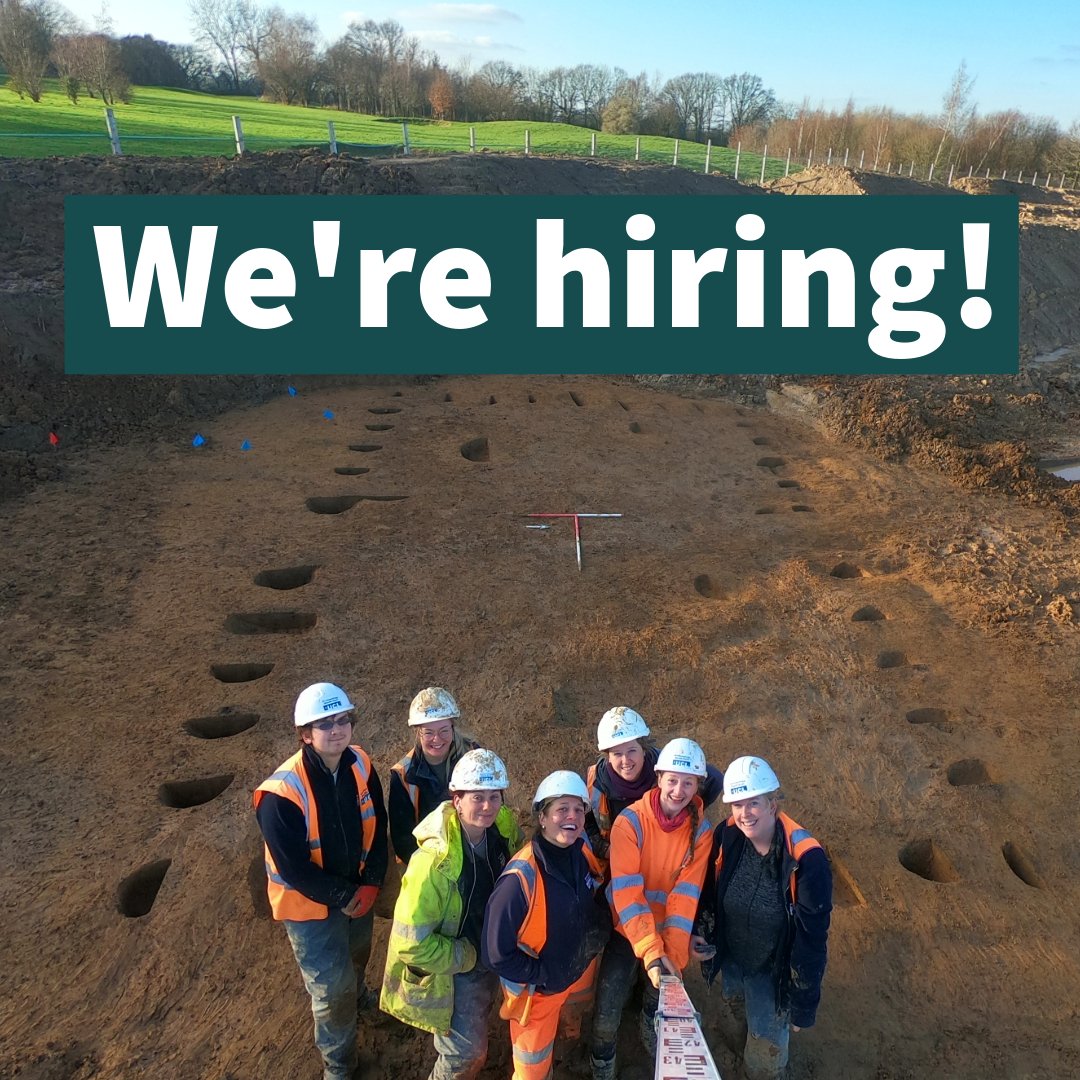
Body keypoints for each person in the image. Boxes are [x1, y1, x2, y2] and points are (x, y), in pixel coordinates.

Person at [254, 681, 388, 1080]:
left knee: (358, 953)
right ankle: (339, 1067)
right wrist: (345, 895)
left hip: (356, 893)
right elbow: (294, 868)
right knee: (331, 993)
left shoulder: (360, 764)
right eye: (325, 723)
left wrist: (372, 881)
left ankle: (361, 997)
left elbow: (377, 825)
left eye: (343, 719)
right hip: (308, 906)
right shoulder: (280, 793)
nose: (337, 730)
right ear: (305, 734)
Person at [380, 749, 522, 1080]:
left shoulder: (501, 829)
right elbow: (411, 945)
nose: (487, 806)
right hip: (459, 967)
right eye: (477, 797)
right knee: (464, 1055)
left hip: (493, 953)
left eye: (494, 796)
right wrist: (465, 956)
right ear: (456, 799)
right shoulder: (431, 864)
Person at [696, 756, 832, 1080]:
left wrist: (803, 1004)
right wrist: (701, 930)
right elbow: (708, 890)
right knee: (735, 1016)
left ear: (773, 803)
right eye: (737, 804)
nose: (745, 814)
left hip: (772, 973)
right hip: (731, 959)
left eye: (753, 803)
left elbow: (811, 939)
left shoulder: (806, 860)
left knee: (764, 1064)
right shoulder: (726, 836)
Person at [590, 738, 714, 1080]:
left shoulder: (701, 833)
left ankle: (651, 1030)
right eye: (672, 780)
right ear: (658, 778)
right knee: (607, 1008)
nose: (679, 790)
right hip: (628, 929)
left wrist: (671, 957)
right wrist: (650, 951)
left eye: (688, 782)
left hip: (668, 933)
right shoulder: (629, 823)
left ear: (698, 786)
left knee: (658, 994)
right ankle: (602, 1061)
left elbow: (684, 897)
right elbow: (628, 893)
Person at [483, 770, 609, 1080]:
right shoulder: (519, 880)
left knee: (568, 1034)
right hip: (535, 998)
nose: (572, 817)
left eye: (578, 810)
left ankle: (567, 1059)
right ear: (542, 817)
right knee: (532, 1070)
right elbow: (495, 954)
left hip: (572, 978)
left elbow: (592, 894)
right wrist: (542, 975)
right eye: (561, 810)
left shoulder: (580, 853)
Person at [585, 707, 723, 872]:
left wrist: (686, 809)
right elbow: (586, 828)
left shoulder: (667, 768)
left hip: (664, 863)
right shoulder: (596, 782)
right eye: (616, 754)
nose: (625, 760)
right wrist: (609, 851)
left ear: (644, 748)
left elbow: (714, 778)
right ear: (608, 756)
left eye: (632, 750)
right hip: (621, 864)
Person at [390, 687, 479, 863]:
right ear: (417, 731)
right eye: (428, 732)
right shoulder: (404, 775)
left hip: (474, 849)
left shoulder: (475, 758)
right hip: (428, 860)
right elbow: (402, 840)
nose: (437, 739)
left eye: (444, 731)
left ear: (453, 728)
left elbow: (493, 807)